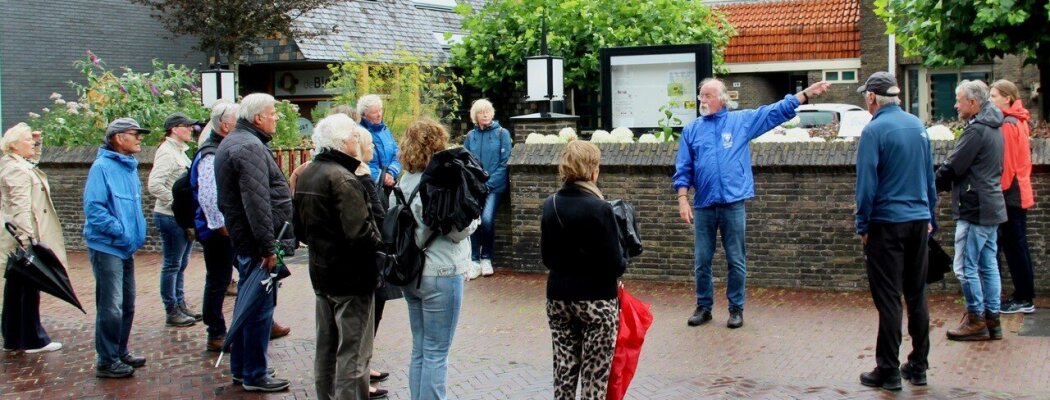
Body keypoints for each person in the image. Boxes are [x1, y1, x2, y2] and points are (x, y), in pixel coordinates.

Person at [673, 78, 831, 328]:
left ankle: (736, 309)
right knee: (702, 260)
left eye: (708, 96)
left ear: (722, 99)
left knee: (736, 259)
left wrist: (806, 94)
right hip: (703, 205)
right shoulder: (692, 130)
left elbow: (774, 112)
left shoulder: (740, 122)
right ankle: (704, 306)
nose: (702, 100)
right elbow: (683, 168)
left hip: (733, 203)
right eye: (701, 95)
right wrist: (683, 199)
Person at [853, 72, 937, 390]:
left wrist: (863, 224)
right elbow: (928, 176)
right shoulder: (918, 126)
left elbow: (866, 185)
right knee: (917, 294)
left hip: (886, 223)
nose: (866, 100)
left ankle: (887, 370)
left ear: (873, 97)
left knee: (888, 298)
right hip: (918, 221)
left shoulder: (874, 130)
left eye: (866, 96)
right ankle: (918, 365)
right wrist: (931, 217)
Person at [294, 114, 383, 400]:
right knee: (353, 353)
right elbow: (361, 234)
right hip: (352, 277)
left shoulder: (308, 173)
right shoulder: (343, 178)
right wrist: (379, 243)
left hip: (322, 272)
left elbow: (301, 229)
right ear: (343, 142)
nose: (358, 140)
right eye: (354, 136)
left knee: (327, 348)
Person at [214, 93, 294, 392]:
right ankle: (255, 374)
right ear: (258, 117)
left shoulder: (235, 142)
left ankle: (243, 368)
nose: (276, 118)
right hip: (258, 246)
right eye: (273, 113)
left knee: (248, 304)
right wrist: (268, 247)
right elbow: (257, 203)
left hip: (248, 241)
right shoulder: (249, 147)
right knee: (260, 308)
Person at [395, 118, 478, 400]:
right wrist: (474, 220)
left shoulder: (404, 181)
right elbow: (457, 231)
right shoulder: (439, 184)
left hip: (411, 270)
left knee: (420, 348)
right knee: (436, 352)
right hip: (441, 271)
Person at [540, 140, 626, 399]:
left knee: (564, 369)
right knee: (594, 373)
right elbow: (616, 264)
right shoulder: (600, 208)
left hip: (559, 297)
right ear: (592, 171)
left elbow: (547, 258)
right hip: (596, 300)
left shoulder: (550, 204)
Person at [936, 80, 1007, 342]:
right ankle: (993, 319)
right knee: (988, 265)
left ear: (973, 103)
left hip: (974, 207)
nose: (955, 105)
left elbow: (953, 166)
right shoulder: (994, 127)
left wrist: (932, 186)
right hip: (991, 205)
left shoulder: (976, 131)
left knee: (965, 266)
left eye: (958, 100)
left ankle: (976, 318)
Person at [83, 118, 150, 378]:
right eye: (135, 134)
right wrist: (121, 231)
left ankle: (120, 352)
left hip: (124, 246)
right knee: (111, 305)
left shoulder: (128, 167)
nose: (140, 139)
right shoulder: (102, 167)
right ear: (119, 137)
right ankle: (107, 360)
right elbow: (94, 209)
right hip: (107, 246)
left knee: (127, 303)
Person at [0, 123, 67, 354]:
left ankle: (13, 337)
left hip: (18, 236)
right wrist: (26, 240)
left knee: (16, 287)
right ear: (14, 145)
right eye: (28, 140)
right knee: (28, 287)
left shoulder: (15, 164)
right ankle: (32, 340)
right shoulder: (15, 169)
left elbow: (32, 165)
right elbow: (20, 207)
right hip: (21, 237)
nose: (32, 143)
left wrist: (36, 143)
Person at [352, 126, 396, 398]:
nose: (374, 150)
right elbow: (378, 215)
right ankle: (357, 377)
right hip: (366, 258)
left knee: (371, 315)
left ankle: (364, 366)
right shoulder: (360, 176)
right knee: (362, 319)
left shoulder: (365, 174)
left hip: (369, 257)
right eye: (370, 146)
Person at [147, 112, 201, 328]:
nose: (191, 130)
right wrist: (176, 204)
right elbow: (154, 184)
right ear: (174, 129)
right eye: (186, 126)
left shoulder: (179, 152)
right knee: (172, 264)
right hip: (169, 216)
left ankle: (180, 304)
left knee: (180, 263)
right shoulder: (167, 153)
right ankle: (172, 309)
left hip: (179, 216)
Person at [193, 102, 239, 351]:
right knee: (219, 279)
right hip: (219, 230)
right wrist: (221, 226)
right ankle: (215, 332)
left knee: (249, 273)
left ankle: (259, 320)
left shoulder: (222, 148)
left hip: (229, 226)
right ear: (224, 126)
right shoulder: (211, 154)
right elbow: (209, 195)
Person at [990, 79, 1037, 314]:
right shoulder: (1019, 120)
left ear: (1007, 98)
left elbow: (1006, 166)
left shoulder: (1008, 124)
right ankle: (1024, 295)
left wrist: (997, 192)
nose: (991, 100)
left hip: (1011, 194)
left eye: (994, 96)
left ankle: (1024, 298)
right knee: (1018, 245)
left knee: (1014, 246)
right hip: (1020, 191)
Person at [462, 99, 512, 279]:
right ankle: (474, 260)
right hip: (475, 188)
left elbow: (504, 163)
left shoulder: (502, 133)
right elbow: (465, 162)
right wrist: (475, 183)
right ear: (475, 115)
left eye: (488, 111)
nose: (485, 114)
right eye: (481, 112)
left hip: (494, 187)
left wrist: (487, 184)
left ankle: (486, 258)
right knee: (474, 221)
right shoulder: (470, 137)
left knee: (487, 219)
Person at [358, 94, 401, 190]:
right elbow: (361, 163)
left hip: (391, 182)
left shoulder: (385, 130)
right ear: (364, 116)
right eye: (374, 112)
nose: (379, 115)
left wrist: (391, 172)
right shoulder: (360, 133)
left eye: (380, 110)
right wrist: (382, 177)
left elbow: (397, 153)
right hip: (372, 187)